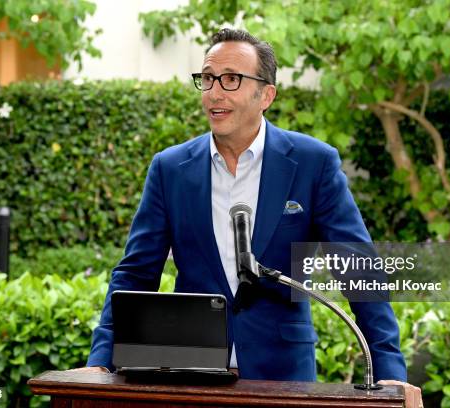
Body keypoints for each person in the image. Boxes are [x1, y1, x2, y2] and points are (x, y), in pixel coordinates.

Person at [74, 28, 423, 408]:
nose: (215, 92)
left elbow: (359, 269)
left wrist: (390, 371)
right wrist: (100, 363)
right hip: (188, 378)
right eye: (207, 78)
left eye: (231, 79)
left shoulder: (312, 163)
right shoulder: (170, 168)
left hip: (283, 380)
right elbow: (135, 274)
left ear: (266, 94)